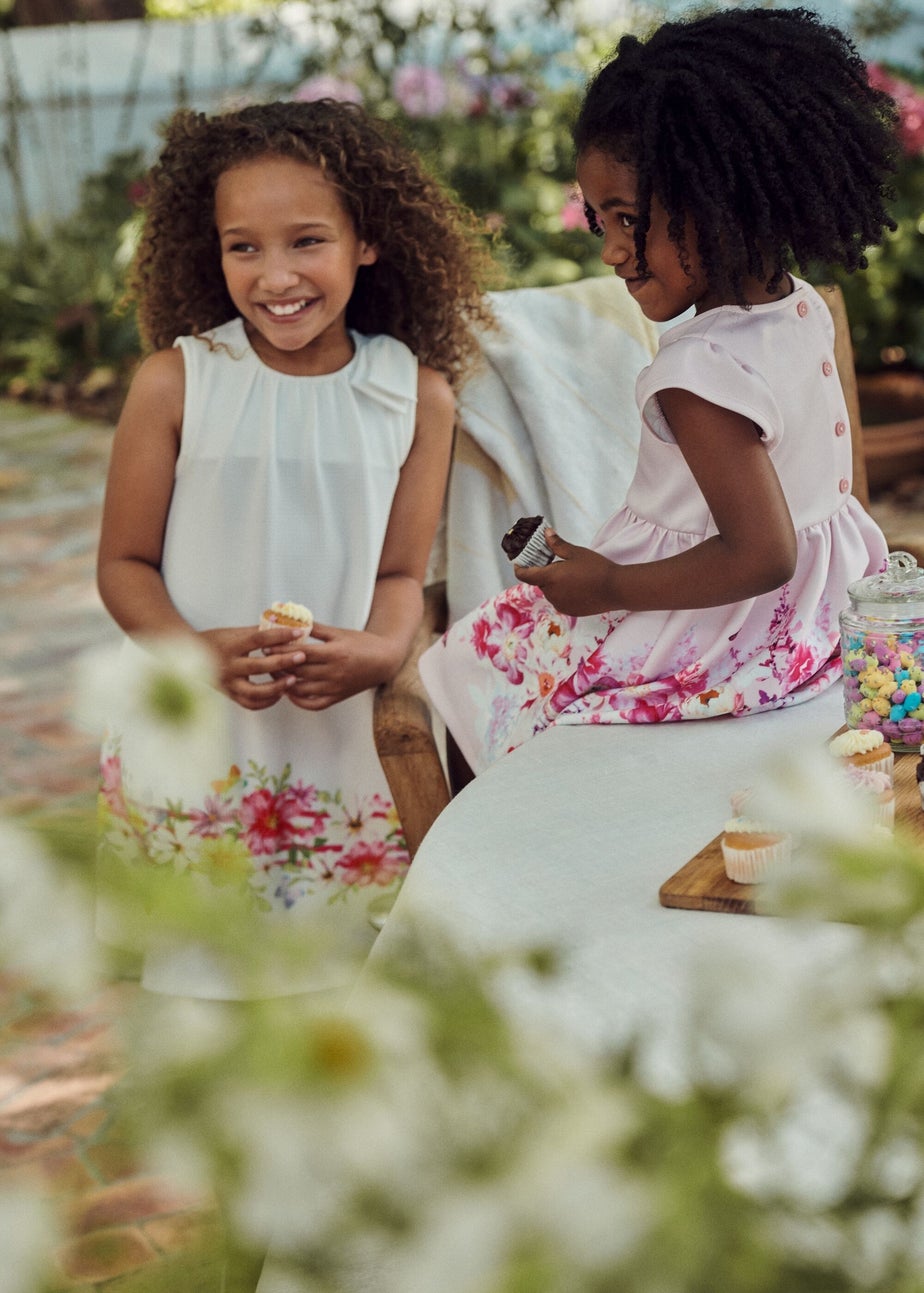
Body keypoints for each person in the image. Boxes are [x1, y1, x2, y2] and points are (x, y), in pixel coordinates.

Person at [419, 5, 896, 780]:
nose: (609, 249)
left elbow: (763, 552)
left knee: (477, 663)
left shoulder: (698, 375)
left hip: (716, 633)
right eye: (598, 219)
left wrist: (605, 582)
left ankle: (490, 847)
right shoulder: (801, 305)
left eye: (628, 221)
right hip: (810, 619)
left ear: (723, 203)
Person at [95, 99, 495, 998]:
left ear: (367, 240)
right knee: (201, 981)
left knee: (348, 985)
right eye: (245, 246)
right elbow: (123, 565)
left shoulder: (415, 395)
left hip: (343, 741)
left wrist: (382, 650)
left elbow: (401, 573)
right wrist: (192, 651)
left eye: (306, 240)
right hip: (202, 729)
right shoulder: (178, 382)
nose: (276, 275)